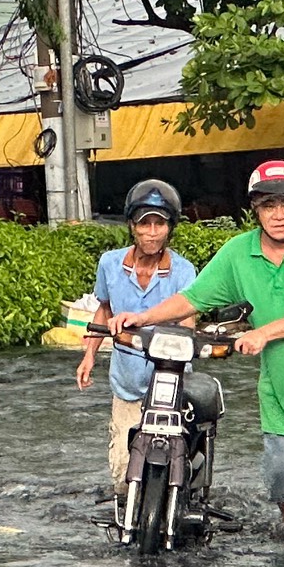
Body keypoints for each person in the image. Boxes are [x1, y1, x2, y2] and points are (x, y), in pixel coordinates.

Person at [118, 160, 284, 555]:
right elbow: (195, 297)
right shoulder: (239, 252)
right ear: (256, 209)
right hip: (281, 391)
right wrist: (143, 316)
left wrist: (263, 333)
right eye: (269, 205)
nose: (279, 214)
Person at [76, 178, 199, 487]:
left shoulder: (184, 271)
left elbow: (187, 323)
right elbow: (104, 309)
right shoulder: (110, 264)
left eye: (160, 224)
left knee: (178, 468)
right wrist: (89, 356)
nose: (152, 232)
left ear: (170, 228)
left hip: (172, 384)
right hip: (127, 383)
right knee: (123, 473)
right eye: (145, 224)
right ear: (132, 226)